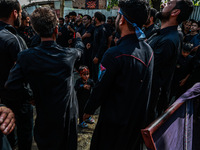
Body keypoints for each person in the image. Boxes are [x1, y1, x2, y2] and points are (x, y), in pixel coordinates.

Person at [5, 7, 84, 150]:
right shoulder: (68, 55)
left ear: (36, 30)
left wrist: (30, 97)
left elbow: (12, 86)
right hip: (67, 118)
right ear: (56, 29)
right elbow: (79, 51)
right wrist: (78, 39)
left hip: (44, 116)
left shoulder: (26, 57)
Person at [83, 0, 153, 149]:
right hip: (135, 125)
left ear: (121, 19)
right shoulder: (148, 50)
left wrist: (88, 110)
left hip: (113, 126)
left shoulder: (115, 54)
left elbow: (101, 88)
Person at [147, 0, 193, 123]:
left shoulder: (168, 40)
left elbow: (150, 71)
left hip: (148, 102)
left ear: (175, 12)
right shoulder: (160, 34)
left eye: (168, 4)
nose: (163, 5)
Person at [0, 1, 33, 149]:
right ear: (14, 13)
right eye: (20, 12)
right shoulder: (13, 40)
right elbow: (26, 73)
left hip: (3, 101)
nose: (21, 15)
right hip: (17, 101)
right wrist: (32, 96)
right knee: (24, 139)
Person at [92, 12, 107, 82]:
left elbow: (102, 44)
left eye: (94, 17)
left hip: (98, 56)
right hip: (94, 53)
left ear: (96, 19)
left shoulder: (102, 29)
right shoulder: (96, 28)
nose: (93, 19)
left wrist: (97, 56)